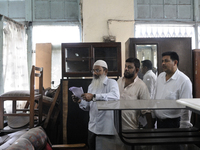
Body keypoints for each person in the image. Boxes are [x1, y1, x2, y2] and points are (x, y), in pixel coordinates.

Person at [72, 60, 121, 150]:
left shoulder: (112, 83)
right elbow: (88, 107)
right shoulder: (91, 86)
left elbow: (115, 97)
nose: (95, 73)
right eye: (93, 70)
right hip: (92, 128)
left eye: (98, 70)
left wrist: (94, 96)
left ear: (105, 71)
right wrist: (79, 101)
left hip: (105, 129)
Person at [153, 51, 193, 128]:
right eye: (162, 61)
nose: (163, 63)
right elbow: (155, 97)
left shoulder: (184, 81)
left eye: (166, 61)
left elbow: (186, 108)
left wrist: (184, 127)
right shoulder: (160, 77)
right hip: (159, 123)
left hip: (174, 124)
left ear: (175, 62)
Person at [117, 57, 150, 130]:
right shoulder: (118, 81)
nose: (126, 69)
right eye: (125, 66)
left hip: (131, 128)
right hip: (115, 127)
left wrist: (150, 131)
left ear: (137, 70)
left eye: (129, 67)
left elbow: (146, 111)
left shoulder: (141, 86)